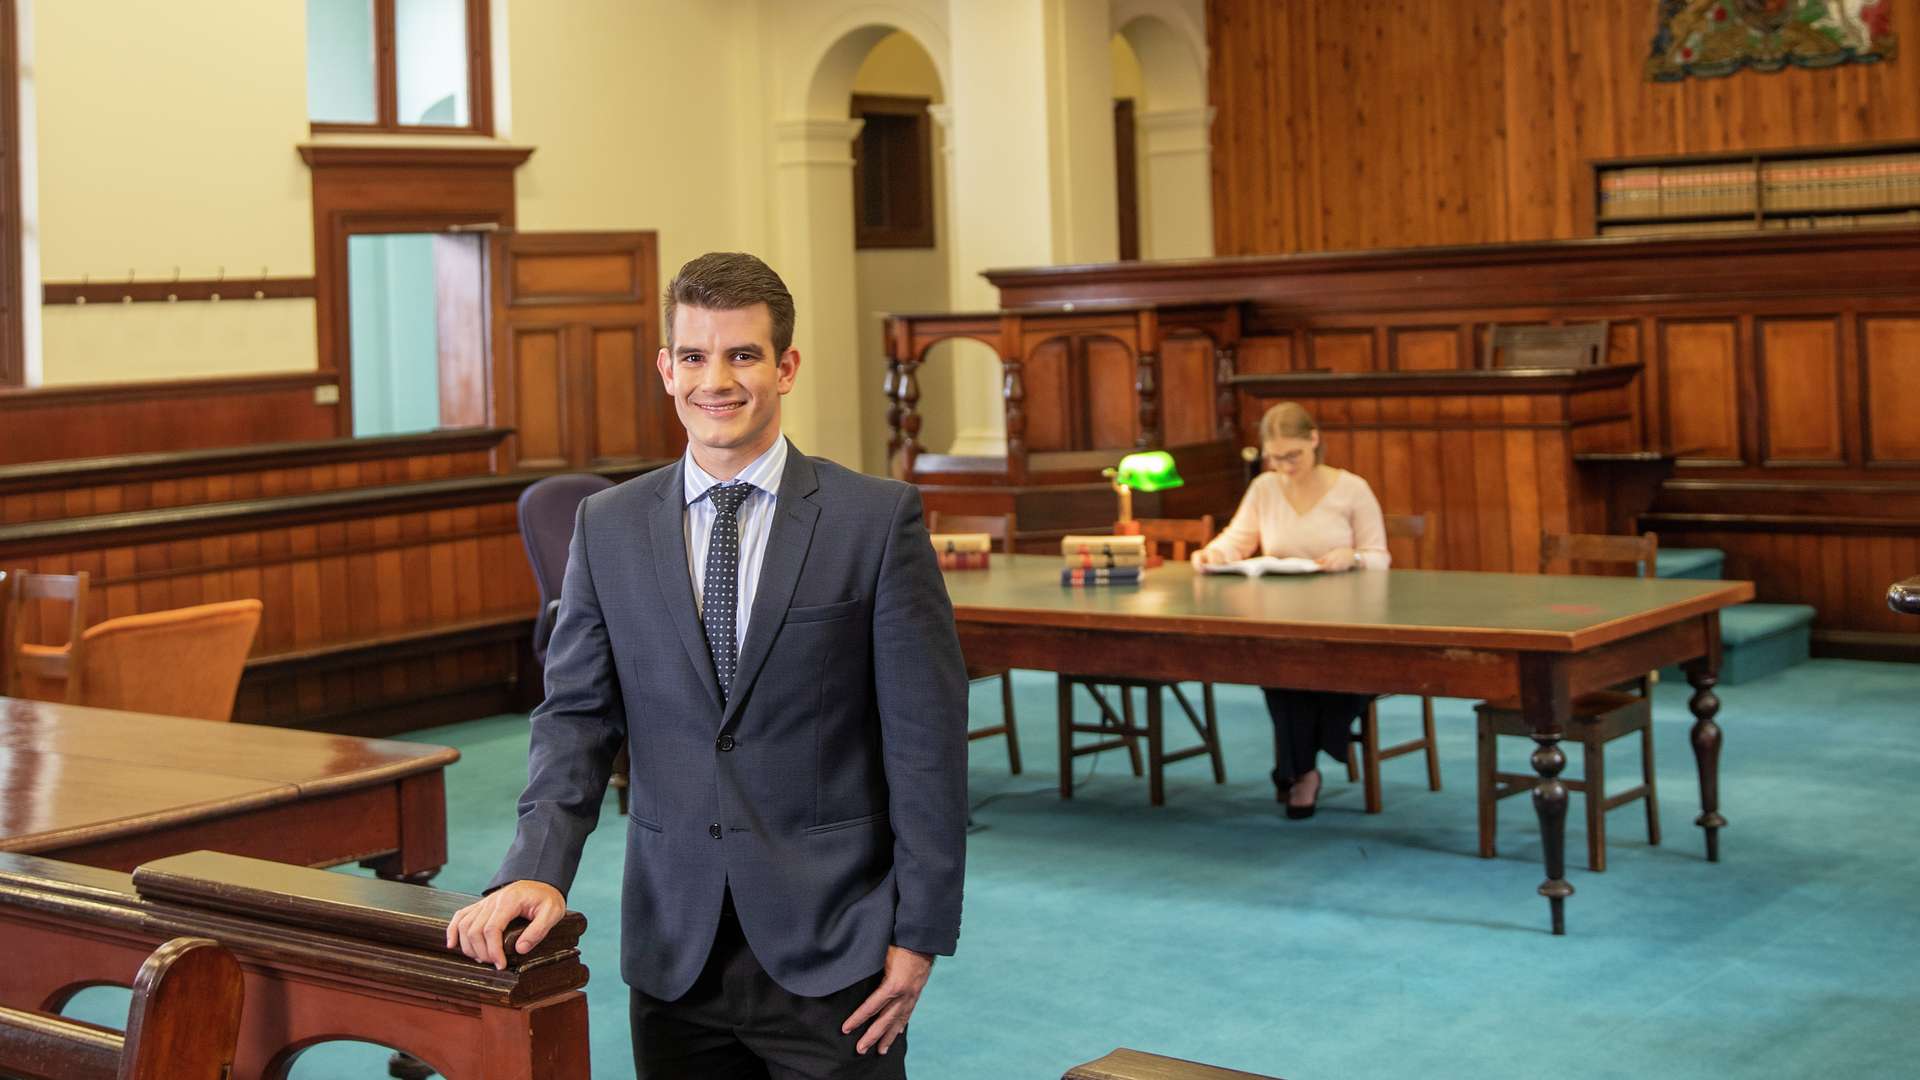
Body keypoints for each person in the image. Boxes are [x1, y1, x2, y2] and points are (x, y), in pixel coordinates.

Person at [446, 252, 970, 1078]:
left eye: (743, 355)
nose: (715, 380)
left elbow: (925, 745)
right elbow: (576, 718)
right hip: (674, 947)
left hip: (834, 948)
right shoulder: (608, 526)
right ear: (666, 368)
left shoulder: (875, 522)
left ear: (786, 366)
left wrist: (921, 933)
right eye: (693, 356)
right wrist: (536, 870)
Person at [1191, 401, 1389, 820]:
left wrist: (1351, 556)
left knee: (1316, 681)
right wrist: (1212, 554)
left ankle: (1296, 771)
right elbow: (1237, 541)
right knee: (1281, 674)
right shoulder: (1265, 488)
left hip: (1347, 623)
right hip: (1284, 618)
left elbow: (1380, 557)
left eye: (1292, 455)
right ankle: (1303, 771)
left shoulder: (1352, 488)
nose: (1284, 465)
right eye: (1275, 458)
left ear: (1314, 440)